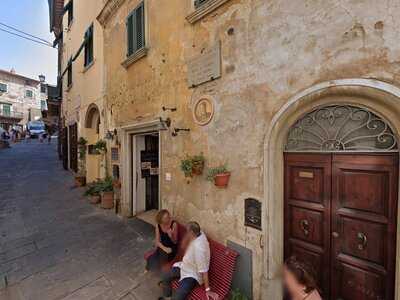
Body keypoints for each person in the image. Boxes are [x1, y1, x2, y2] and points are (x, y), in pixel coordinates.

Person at [159, 222, 218, 300]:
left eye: (187, 231)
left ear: (192, 232)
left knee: (178, 297)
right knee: (165, 275)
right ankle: (167, 297)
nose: (186, 233)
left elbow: (204, 270)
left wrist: (208, 290)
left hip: (192, 275)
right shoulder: (199, 233)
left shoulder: (199, 249)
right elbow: (189, 236)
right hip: (184, 266)